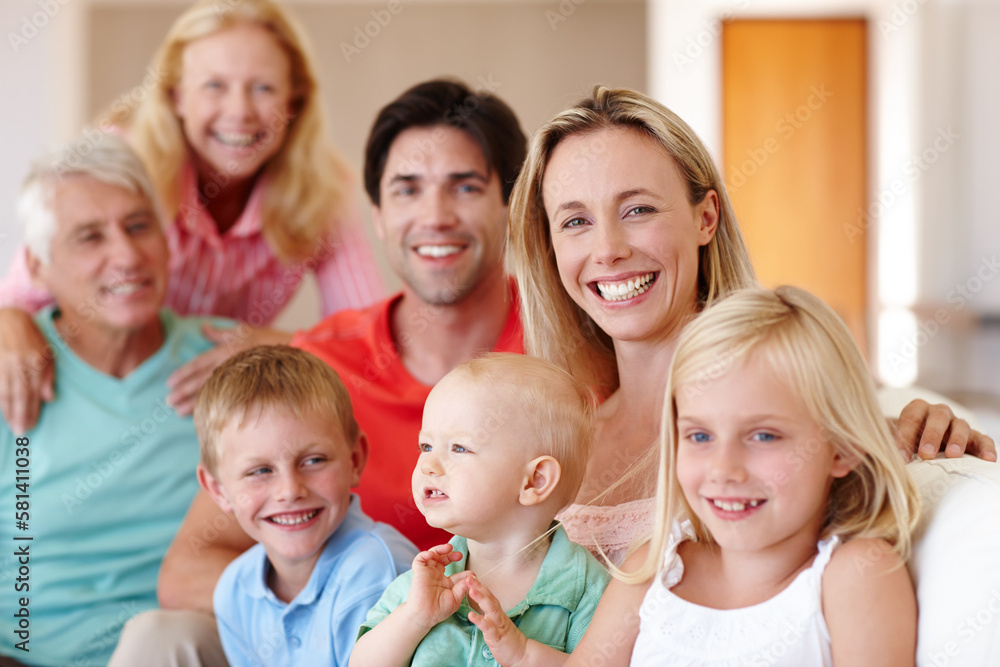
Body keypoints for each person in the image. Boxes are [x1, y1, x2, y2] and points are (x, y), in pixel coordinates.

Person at [110, 78, 527, 666]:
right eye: (407, 190)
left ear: (511, 204)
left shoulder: (560, 356)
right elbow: (186, 571)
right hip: (323, 645)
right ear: (378, 216)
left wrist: (407, 621)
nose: (434, 216)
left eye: (464, 187)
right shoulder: (321, 362)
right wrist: (333, 618)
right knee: (159, 638)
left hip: (498, 643)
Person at [506, 86, 996, 567]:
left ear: (706, 217)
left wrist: (928, 435)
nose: (608, 248)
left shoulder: (799, 426)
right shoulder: (551, 440)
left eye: (639, 210)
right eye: (575, 222)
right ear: (549, 248)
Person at [0, 0, 384, 433]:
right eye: (214, 86)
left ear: (295, 101)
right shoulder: (123, 163)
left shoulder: (323, 188)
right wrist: (8, 323)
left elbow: (370, 341)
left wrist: (285, 346)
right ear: (177, 96)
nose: (239, 111)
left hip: (210, 407)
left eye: (263, 88)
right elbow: (21, 291)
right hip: (94, 389)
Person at [573, 286, 920, 666]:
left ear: (843, 447)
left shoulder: (854, 575)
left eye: (763, 436)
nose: (723, 469)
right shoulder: (656, 570)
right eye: (700, 436)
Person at [0, 135, 227, 667]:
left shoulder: (228, 359)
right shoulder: (11, 366)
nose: (125, 255)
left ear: (169, 241)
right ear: (36, 268)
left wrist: (293, 346)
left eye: (138, 226)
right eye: (89, 237)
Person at [350, 354, 610, 666]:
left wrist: (523, 654)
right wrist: (415, 618)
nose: (428, 465)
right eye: (426, 446)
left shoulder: (586, 590)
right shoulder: (424, 582)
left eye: (459, 448)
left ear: (535, 481)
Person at [194, 346, 416, 666]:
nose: (290, 490)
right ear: (218, 489)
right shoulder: (234, 590)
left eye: (313, 460)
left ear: (354, 460)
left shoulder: (376, 571)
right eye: (260, 471)